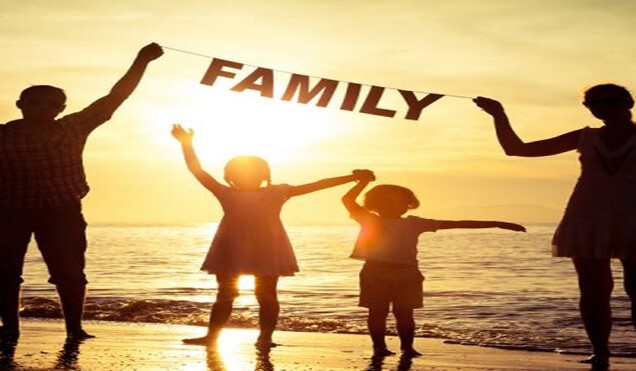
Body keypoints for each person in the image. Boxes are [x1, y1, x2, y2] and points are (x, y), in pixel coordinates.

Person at [0, 43, 163, 341]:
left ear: (60, 109)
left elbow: (116, 97)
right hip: (10, 211)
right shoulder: (2, 135)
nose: (42, 107)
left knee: (70, 273)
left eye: (51, 103)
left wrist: (142, 60)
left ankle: (74, 328)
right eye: (34, 101)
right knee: (4, 272)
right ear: (21, 104)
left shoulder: (72, 128)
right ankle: (10, 327)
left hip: (62, 211)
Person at [474, 84, 636, 369]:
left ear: (628, 102)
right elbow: (517, 150)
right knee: (593, 290)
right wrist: (498, 114)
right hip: (586, 215)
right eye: (592, 104)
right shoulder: (585, 136)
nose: (601, 108)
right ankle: (600, 353)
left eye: (609, 102)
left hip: (633, 216)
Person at [171, 123, 375, 348]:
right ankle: (212, 337)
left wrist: (351, 178)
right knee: (225, 294)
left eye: (254, 173)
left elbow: (317, 185)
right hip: (231, 247)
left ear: (264, 175)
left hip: (267, 248)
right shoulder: (224, 192)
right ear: (230, 176)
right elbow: (196, 170)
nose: (247, 177)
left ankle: (265, 337)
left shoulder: (278, 191)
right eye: (239, 173)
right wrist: (186, 144)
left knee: (266, 295)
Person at [342, 180, 525, 358]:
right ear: (376, 204)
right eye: (391, 201)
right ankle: (379, 348)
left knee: (405, 313)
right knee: (377, 312)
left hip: (408, 273)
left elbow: (458, 223)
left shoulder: (414, 223)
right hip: (376, 272)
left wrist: (499, 223)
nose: (398, 205)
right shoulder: (368, 219)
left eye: (402, 202)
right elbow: (347, 200)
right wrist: (361, 182)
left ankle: (408, 348)